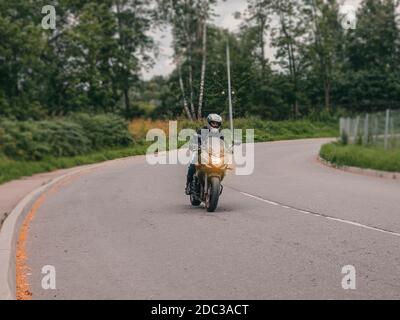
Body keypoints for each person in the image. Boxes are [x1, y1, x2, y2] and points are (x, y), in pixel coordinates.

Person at [185, 114, 224, 195]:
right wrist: (194, 145)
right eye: (213, 123)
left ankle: (216, 185)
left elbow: (224, 144)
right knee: (192, 165)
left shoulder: (220, 134)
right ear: (209, 123)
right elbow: (194, 140)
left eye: (217, 123)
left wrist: (229, 149)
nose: (215, 125)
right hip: (200, 152)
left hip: (214, 155)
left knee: (225, 166)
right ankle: (188, 185)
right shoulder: (201, 131)